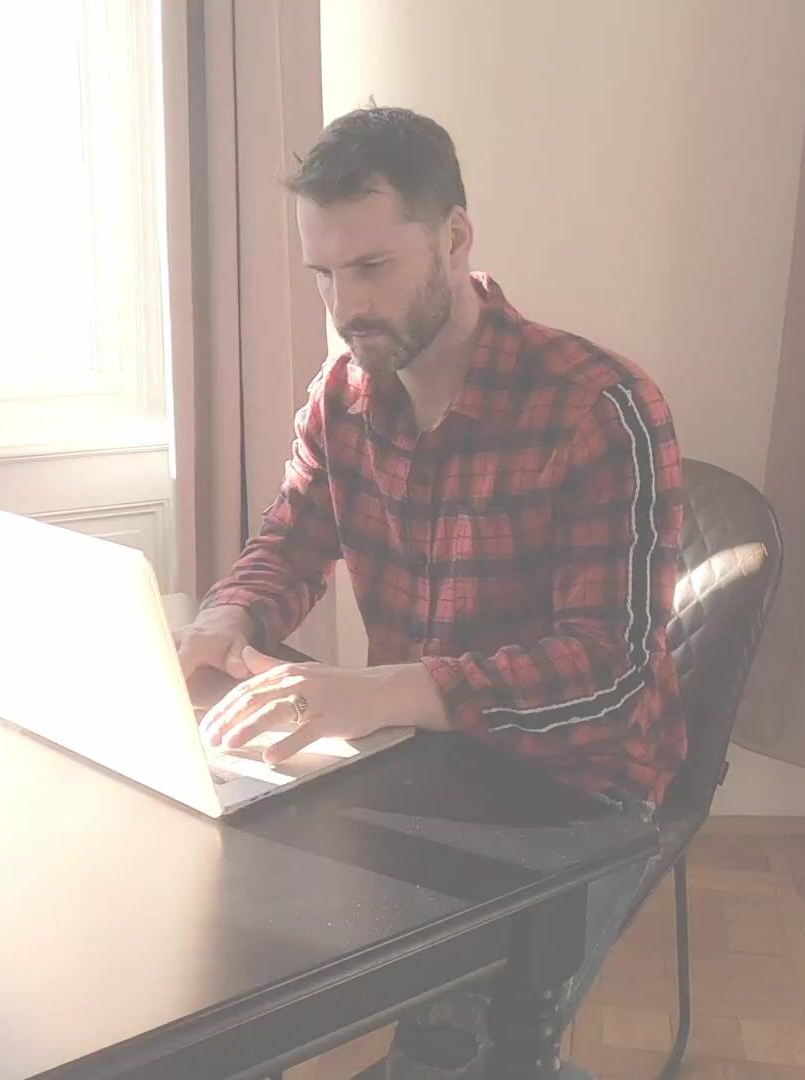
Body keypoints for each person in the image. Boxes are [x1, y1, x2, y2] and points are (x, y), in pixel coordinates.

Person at [176, 105, 686, 1079]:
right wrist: (226, 614)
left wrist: (378, 693)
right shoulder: (343, 394)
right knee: (220, 967)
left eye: (372, 267)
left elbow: (609, 671)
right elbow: (291, 536)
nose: (346, 305)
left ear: (455, 238)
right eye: (324, 274)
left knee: (452, 1049)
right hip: (419, 757)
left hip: (575, 789)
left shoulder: (597, 407)